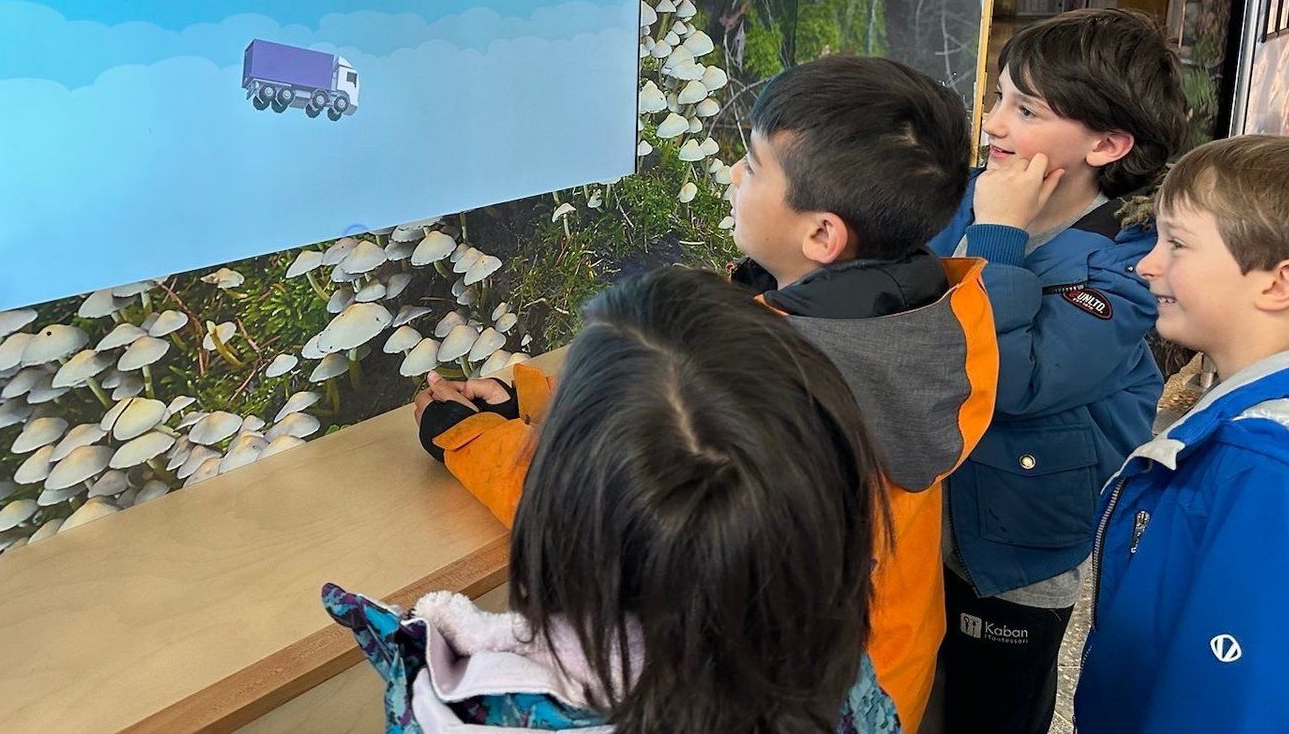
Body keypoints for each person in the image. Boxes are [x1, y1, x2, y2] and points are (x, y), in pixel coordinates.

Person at [415, 56, 1000, 733]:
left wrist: (469, 433)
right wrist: (552, 396)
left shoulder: (795, 376)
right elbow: (677, 404)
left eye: (751, 165)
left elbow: (622, 513)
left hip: (794, 698)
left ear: (822, 234)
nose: (730, 174)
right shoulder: (924, 323)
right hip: (881, 679)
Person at [326, 267, 901, 733]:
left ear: (559, 500)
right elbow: (680, 432)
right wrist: (534, 402)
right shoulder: (829, 659)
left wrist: (476, 434)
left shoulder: (454, 707)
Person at [926, 8, 1188, 734]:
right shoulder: (964, 197)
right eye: (999, 97)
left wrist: (1000, 236)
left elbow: (1015, 379)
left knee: (995, 711)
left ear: (1107, 142)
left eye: (1027, 109)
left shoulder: (1130, 265)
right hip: (932, 510)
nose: (995, 122)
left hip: (1019, 549)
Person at [1074, 135, 1289, 733]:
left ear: (1277, 282)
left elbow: (1238, 703)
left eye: (1176, 243)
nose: (1147, 262)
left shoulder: (1265, 466)